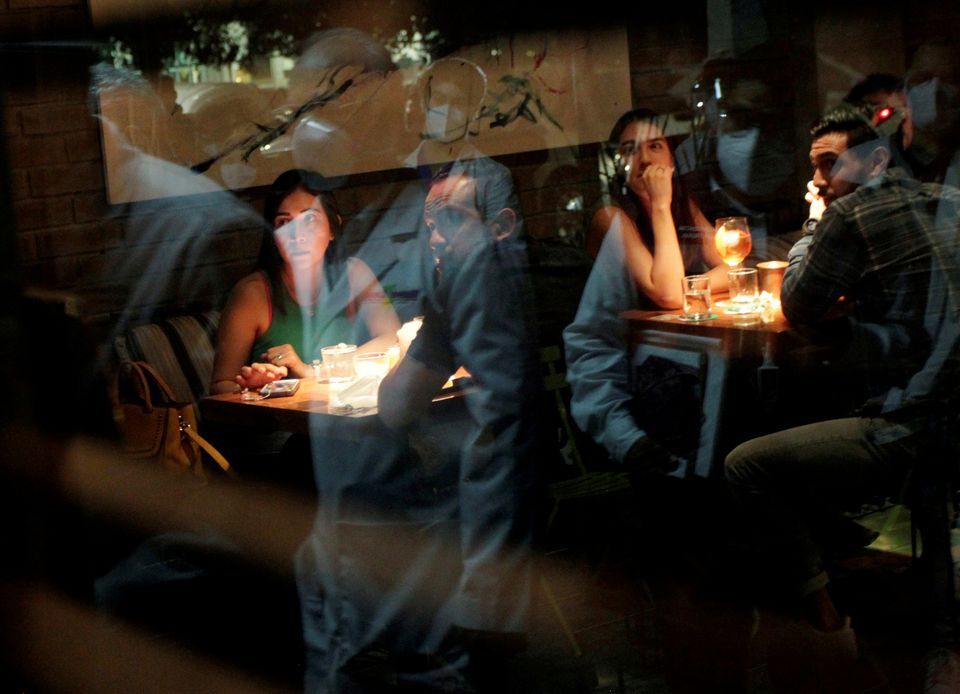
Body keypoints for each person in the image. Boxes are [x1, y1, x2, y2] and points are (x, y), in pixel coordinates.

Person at [724, 102, 960, 633]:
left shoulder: (851, 214)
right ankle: (888, 572)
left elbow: (798, 301)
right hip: (947, 408)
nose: (818, 179)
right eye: (814, 166)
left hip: (920, 424)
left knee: (747, 463)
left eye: (829, 164)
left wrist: (815, 220)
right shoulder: (948, 198)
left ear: (876, 162)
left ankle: (824, 617)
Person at [374, 164, 545, 690]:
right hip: (549, 472)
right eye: (430, 224)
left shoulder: (462, 290)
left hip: (493, 503)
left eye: (451, 219)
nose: (437, 237)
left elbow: (394, 408)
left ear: (502, 224)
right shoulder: (549, 269)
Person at [566, 109, 726, 471]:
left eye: (655, 146)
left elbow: (733, 269)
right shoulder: (612, 218)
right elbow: (667, 294)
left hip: (680, 366)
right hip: (627, 380)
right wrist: (660, 207)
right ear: (617, 164)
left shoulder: (685, 205)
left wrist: (691, 287)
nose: (644, 159)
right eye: (629, 149)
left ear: (672, 156)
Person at [210, 168, 400, 395]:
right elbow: (220, 386)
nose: (297, 234)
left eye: (309, 219)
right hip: (279, 425)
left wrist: (314, 370)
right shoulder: (252, 294)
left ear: (333, 228)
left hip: (341, 414)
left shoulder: (354, 274)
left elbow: (393, 336)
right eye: (283, 222)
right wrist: (252, 385)